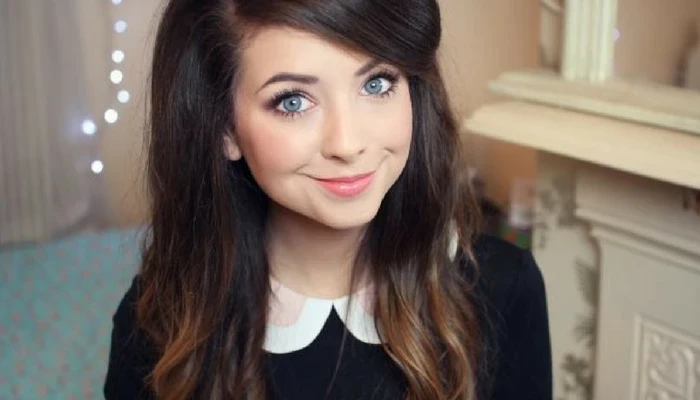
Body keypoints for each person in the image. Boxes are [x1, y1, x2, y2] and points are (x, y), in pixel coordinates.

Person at [103, 0, 552, 399]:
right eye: (293, 102)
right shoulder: (156, 326)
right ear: (225, 128)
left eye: (376, 84)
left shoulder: (505, 289)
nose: (347, 144)